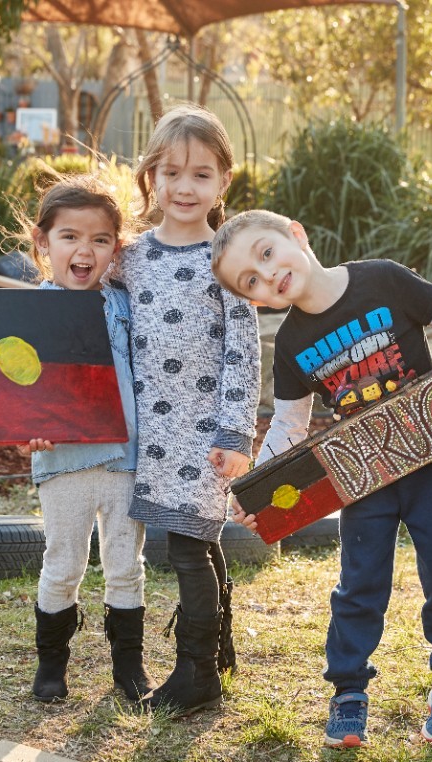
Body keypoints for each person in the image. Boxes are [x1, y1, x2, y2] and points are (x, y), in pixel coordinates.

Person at [212, 209, 432, 749]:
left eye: (266, 255)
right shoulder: (290, 344)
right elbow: (289, 424)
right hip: (361, 476)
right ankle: (349, 692)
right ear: (257, 302)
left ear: (295, 233)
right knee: (359, 584)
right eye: (253, 282)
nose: (268, 276)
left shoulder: (382, 278)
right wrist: (260, 489)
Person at [117, 104, 261, 714]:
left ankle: (195, 672)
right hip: (147, 430)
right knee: (199, 543)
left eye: (200, 174)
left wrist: (235, 431)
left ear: (223, 182)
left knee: (186, 547)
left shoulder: (230, 263)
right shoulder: (130, 257)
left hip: (204, 434)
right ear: (150, 175)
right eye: (171, 172)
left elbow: (244, 354)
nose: (183, 186)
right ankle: (220, 648)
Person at [13, 174, 153, 704]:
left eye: (99, 239)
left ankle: (128, 669)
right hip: (63, 462)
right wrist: (22, 430)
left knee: (124, 564)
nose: (84, 250)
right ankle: (51, 668)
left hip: (126, 457)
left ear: (115, 249)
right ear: (42, 242)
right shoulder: (29, 314)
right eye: (69, 236)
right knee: (64, 562)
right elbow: (14, 388)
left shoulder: (124, 304)